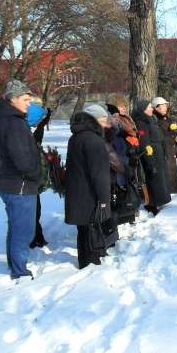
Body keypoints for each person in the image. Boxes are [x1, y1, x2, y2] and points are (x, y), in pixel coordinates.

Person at [0, 79, 42, 280]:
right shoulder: (14, 122)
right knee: (23, 231)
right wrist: (35, 174)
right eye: (25, 99)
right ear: (12, 99)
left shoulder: (1, 119)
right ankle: (20, 271)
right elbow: (22, 158)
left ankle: (15, 265)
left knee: (15, 226)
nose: (29, 103)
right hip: (18, 184)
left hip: (7, 180)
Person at [65, 104, 116, 269]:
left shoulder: (76, 137)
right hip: (90, 193)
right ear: (94, 120)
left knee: (84, 229)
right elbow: (99, 173)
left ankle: (86, 260)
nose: (105, 123)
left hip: (78, 191)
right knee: (91, 227)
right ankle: (91, 262)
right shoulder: (94, 140)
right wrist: (103, 198)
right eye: (102, 119)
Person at [106, 96, 143, 225]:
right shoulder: (110, 130)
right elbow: (112, 149)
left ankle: (129, 213)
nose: (117, 117)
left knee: (127, 188)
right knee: (120, 190)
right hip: (117, 164)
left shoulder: (120, 127)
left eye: (118, 114)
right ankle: (123, 215)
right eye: (114, 115)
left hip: (126, 159)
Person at [133, 100, 171, 214]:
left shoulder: (151, 119)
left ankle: (160, 200)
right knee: (153, 180)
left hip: (158, 153)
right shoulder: (141, 122)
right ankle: (151, 203)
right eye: (149, 108)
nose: (151, 109)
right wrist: (150, 161)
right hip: (152, 155)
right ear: (143, 110)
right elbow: (144, 142)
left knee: (160, 179)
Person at [27, 101, 51, 249]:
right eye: (39, 119)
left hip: (32, 180)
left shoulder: (29, 132)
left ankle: (37, 236)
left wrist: (43, 123)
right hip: (26, 181)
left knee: (36, 209)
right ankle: (33, 238)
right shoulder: (22, 134)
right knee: (32, 211)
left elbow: (38, 137)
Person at [154, 97, 177, 194]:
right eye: (162, 105)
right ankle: (167, 189)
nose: (165, 107)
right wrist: (171, 136)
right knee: (165, 170)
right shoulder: (155, 120)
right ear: (156, 107)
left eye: (165, 105)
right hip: (162, 149)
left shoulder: (169, 118)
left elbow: (176, 131)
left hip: (171, 149)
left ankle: (174, 188)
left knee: (172, 169)